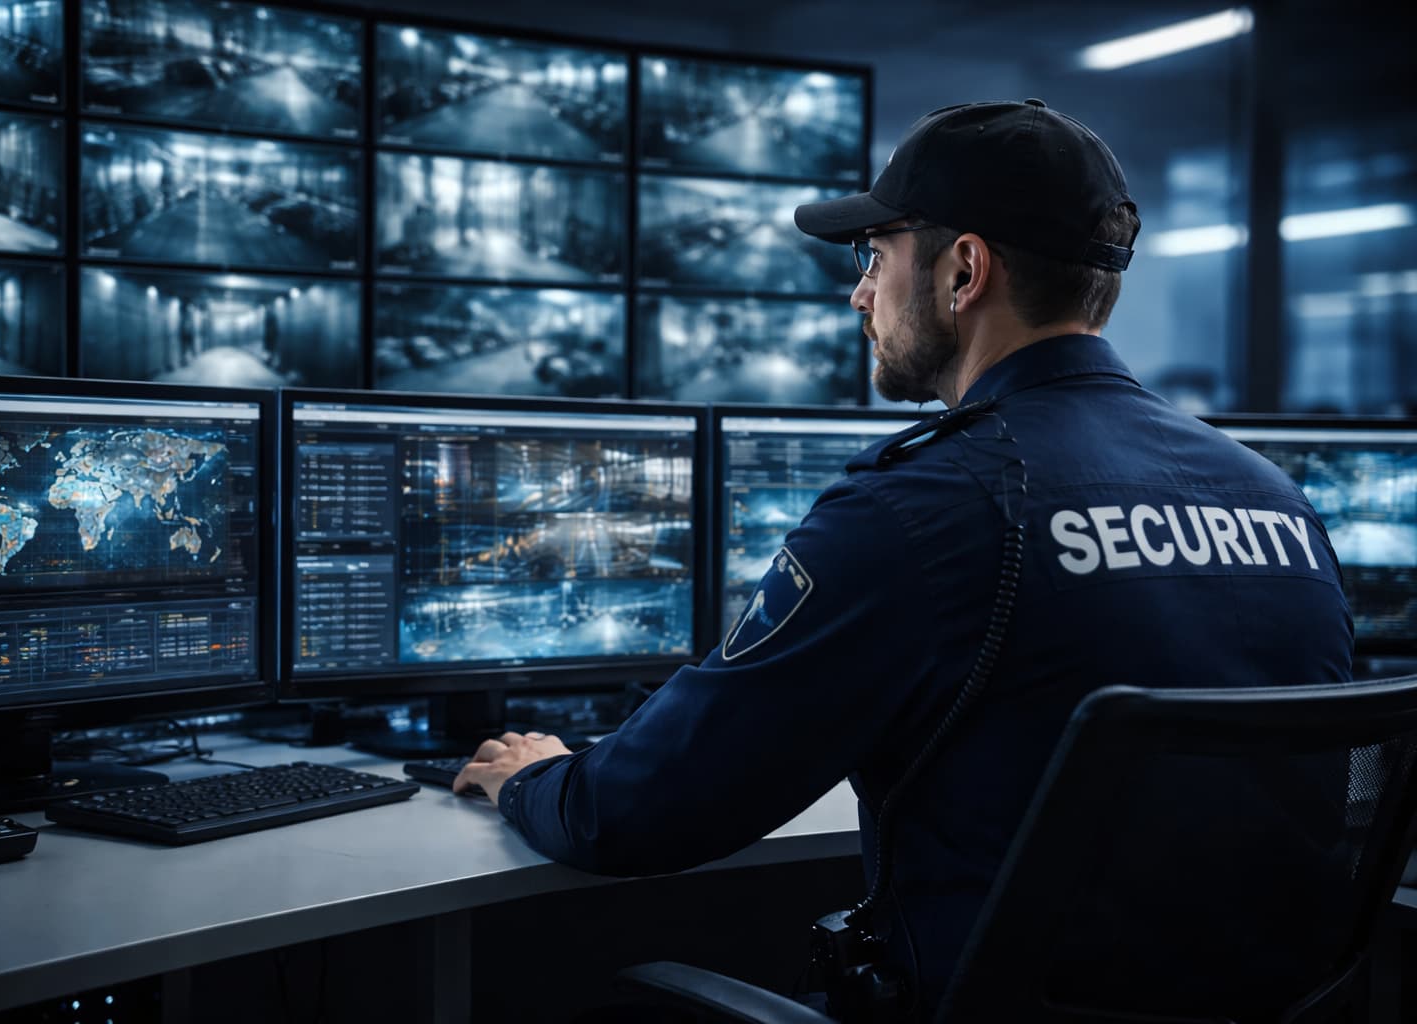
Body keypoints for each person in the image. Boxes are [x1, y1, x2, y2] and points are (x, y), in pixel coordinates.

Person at [454, 99, 1353, 1017]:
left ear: (964, 271)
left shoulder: (924, 507)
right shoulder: (1271, 496)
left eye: (876, 256)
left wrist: (534, 776)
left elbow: (638, 813)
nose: (859, 293)